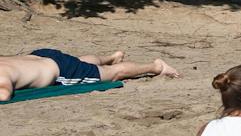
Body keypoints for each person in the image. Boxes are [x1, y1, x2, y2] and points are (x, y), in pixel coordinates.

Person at [0, 48, 177, 100]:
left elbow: (4, 94)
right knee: (79, 62)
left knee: (114, 74)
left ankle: (155, 66)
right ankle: (111, 56)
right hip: (42, 55)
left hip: (62, 72)